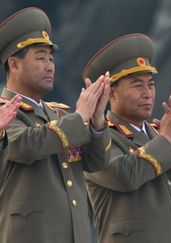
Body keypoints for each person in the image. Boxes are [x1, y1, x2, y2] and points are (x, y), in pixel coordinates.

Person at [82, 33, 171, 243]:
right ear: (111, 94)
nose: (148, 93)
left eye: (151, 84)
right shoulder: (98, 137)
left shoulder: (162, 135)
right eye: (137, 85)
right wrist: (167, 137)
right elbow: (125, 176)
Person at [0, 7, 111, 243]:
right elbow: (23, 145)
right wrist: (80, 116)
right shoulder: (4, 111)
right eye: (40, 57)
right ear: (14, 64)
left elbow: (95, 163)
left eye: (51, 58)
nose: (50, 65)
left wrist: (97, 122)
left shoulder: (59, 114)